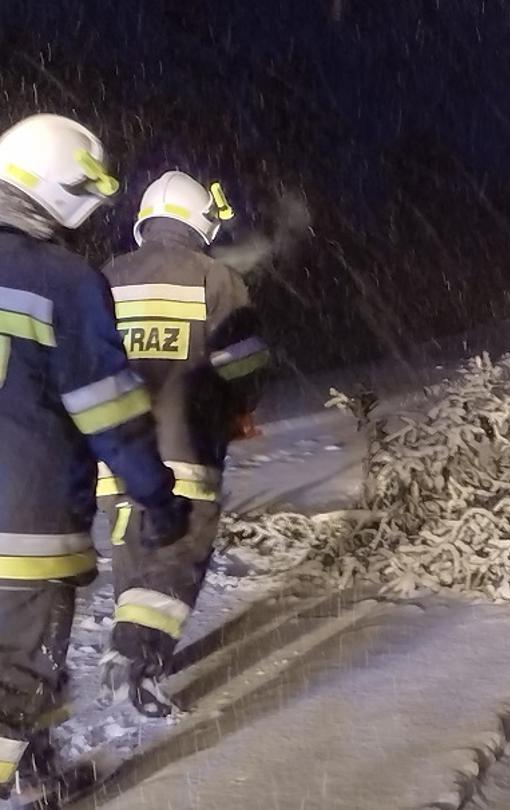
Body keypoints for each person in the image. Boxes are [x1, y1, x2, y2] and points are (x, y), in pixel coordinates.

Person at [0, 114, 188, 800]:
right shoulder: (62, 280)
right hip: (26, 524)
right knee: (20, 678)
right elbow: (108, 412)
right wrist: (157, 497)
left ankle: (37, 776)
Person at [95, 171, 267, 720]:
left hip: (115, 455)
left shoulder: (107, 276)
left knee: (133, 553)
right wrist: (240, 406)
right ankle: (137, 659)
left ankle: (133, 648)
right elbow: (243, 362)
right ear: (200, 222)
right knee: (176, 558)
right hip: (184, 449)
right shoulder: (215, 278)